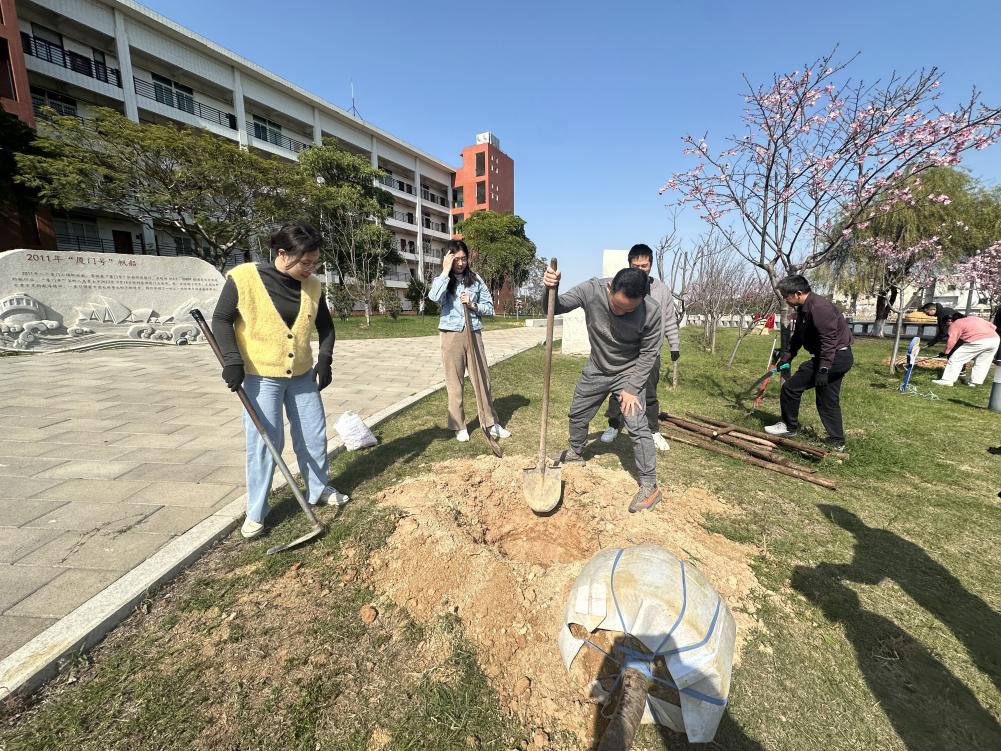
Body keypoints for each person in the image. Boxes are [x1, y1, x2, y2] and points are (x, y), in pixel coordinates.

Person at [212, 222, 348, 539]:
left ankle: (318, 489)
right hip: (260, 376)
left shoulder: (313, 286)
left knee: (313, 436)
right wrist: (232, 360)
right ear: (283, 253)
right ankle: (257, 511)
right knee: (265, 443)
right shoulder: (244, 278)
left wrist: (325, 360)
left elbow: (326, 328)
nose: (311, 269)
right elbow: (221, 319)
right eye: (306, 262)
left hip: (301, 375)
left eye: (315, 263)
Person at [543, 265, 663, 513]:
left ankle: (649, 485)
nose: (621, 313)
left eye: (629, 310)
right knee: (577, 413)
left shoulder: (651, 311)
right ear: (610, 288)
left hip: (629, 373)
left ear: (642, 300)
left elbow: (649, 353)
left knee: (637, 424)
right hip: (597, 367)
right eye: (617, 306)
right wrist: (550, 288)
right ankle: (576, 452)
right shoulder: (591, 289)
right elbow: (554, 307)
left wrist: (632, 387)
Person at [428, 239, 511, 442]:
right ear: (449, 258)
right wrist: (445, 271)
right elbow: (433, 297)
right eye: (456, 259)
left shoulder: (475, 279)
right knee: (454, 382)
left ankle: (490, 423)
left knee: (482, 379)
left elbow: (490, 309)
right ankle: (459, 425)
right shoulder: (443, 280)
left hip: (473, 333)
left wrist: (473, 304)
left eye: (463, 258)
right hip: (451, 335)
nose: (460, 263)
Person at [600, 244, 679, 452]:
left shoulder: (661, 290)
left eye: (645, 265)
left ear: (651, 265)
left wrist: (674, 344)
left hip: (650, 352)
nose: (641, 269)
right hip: (625, 352)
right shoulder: (620, 286)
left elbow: (669, 319)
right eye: (636, 266)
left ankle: (653, 430)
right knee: (618, 390)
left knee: (650, 392)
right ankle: (613, 425)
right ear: (629, 265)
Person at [764, 274, 854, 451]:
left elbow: (829, 341)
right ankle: (837, 441)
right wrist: (786, 357)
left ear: (798, 293)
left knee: (791, 388)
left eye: (786, 295)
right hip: (834, 357)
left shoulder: (820, 308)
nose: (784, 299)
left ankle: (789, 427)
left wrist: (823, 369)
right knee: (827, 399)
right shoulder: (804, 308)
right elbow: (798, 337)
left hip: (835, 357)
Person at [931, 311, 999, 387]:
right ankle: (975, 382)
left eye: (947, 324)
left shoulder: (956, 323)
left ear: (950, 320)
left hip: (978, 341)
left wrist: (946, 352)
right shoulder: (974, 318)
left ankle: (947, 380)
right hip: (994, 339)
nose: (947, 326)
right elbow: (993, 327)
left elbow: (952, 340)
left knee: (956, 359)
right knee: (983, 362)